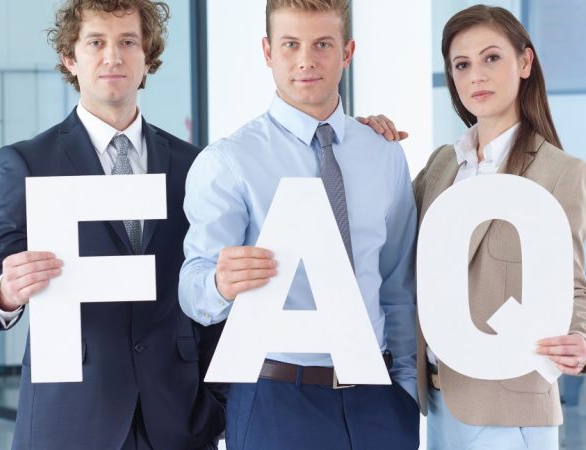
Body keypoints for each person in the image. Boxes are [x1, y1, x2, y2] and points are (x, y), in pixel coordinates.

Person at [0, 1, 226, 448]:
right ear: (70, 58)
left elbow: (210, 288)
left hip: (179, 416)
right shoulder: (29, 163)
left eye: (128, 42)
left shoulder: (192, 164)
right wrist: (6, 291)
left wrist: (218, 402)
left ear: (147, 58)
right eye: (96, 42)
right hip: (73, 414)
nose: (113, 57)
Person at [178, 1, 420, 449]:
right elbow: (193, 290)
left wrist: (405, 388)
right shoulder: (229, 161)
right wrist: (219, 283)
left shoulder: (384, 153)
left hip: (379, 402)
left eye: (322, 44)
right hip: (277, 399)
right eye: (291, 44)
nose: (306, 60)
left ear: (347, 52)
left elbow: (398, 281)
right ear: (268, 52)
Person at [411, 5, 586, 449]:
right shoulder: (442, 165)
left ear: (525, 63)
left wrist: (584, 341)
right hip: (438, 401)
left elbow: (572, 284)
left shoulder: (561, 172)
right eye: (462, 64)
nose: (476, 75)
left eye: (491, 58)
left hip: (511, 408)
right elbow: (398, 245)